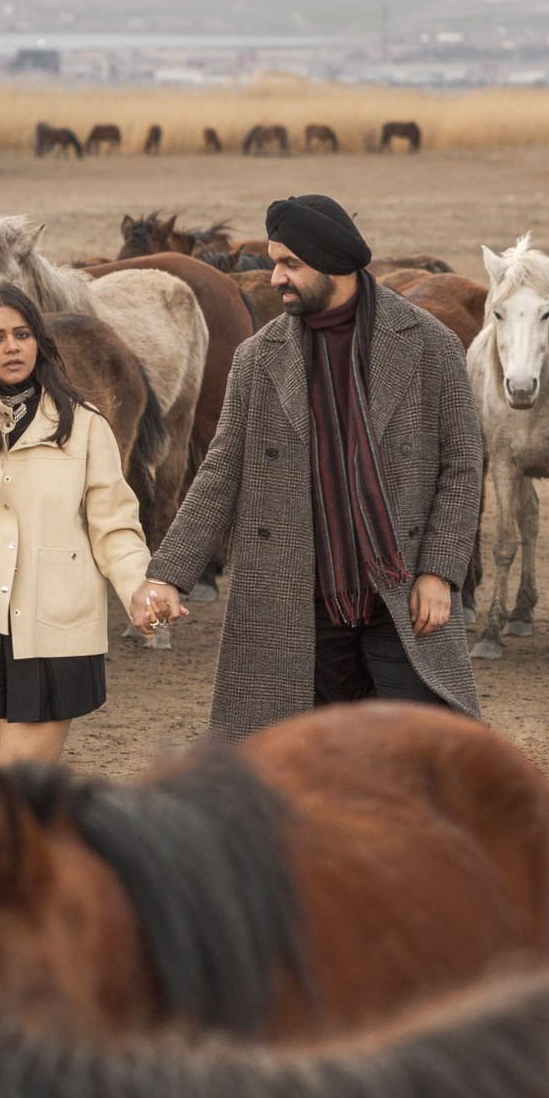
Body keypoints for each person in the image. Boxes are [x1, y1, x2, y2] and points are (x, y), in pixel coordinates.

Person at [127, 193, 483, 728]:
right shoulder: (258, 357)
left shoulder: (430, 344)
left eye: (290, 264)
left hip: (404, 593)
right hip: (300, 596)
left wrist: (439, 572)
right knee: (315, 759)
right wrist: (169, 576)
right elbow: (221, 473)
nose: (275, 278)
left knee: (421, 753)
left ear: (335, 265)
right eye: (274, 262)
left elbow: (461, 466)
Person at [0, 280, 151, 764]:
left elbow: (114, 523)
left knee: (19, 786)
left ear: (40, 340)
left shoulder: (84, 424)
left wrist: (138, 586)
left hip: (51, 622)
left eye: (22, 334)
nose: (12, 347)